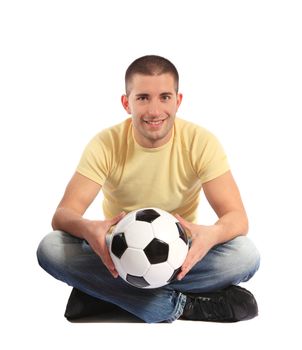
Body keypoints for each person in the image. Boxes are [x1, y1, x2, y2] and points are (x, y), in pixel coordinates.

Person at [37, 55, 260, 323]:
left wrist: (211, 235)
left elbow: (237, 218)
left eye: (164, 97)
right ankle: (177, 306)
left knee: (245, 255)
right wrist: (89, 228)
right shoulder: (105, 144)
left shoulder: (201, 142)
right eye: (143, 98)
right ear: (126, 102)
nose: (155, 111)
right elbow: (63, 215)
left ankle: (103, 294)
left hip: (182, 255)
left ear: (178, 101)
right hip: (117, 255)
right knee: (50, 248)